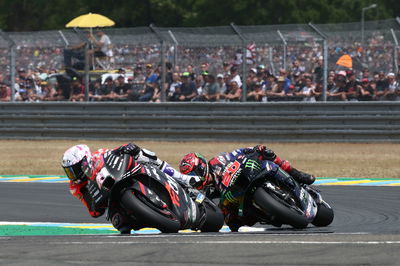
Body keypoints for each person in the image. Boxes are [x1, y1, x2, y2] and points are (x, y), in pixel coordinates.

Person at [61, 143, 203, 234]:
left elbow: (114, 154)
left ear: (85, 160)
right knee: (119, 223)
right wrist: (95, 202)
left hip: (124, 175)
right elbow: (93, 210)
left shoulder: (98, 155)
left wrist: (126, 148)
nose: (72, 174)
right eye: (69, 171)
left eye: (74, 169)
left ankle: (180, 178)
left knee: (142, 153)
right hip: (111, 198)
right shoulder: (76, 187)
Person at [178, 145, 315, 232]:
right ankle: (266, 215)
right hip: (238, 198)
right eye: (190, 177)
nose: (194, 179)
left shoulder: (217, 161)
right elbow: (210, 207)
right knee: (232, 223)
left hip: (248, 173)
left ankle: (297, 174)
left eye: (194, 174)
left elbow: (238, 153)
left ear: (201, 167)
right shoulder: (205, 192)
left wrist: (251, 151)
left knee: (265, 152)